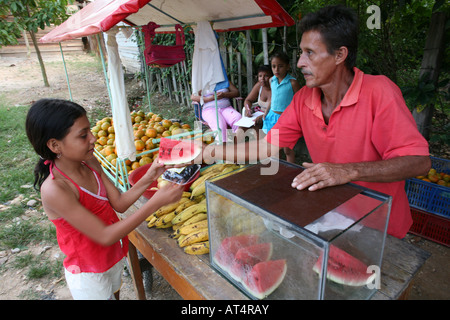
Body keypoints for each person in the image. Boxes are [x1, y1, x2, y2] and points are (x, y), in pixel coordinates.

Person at [200, 5, 431, 239]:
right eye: (301, 52)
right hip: (330, 221)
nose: (300, 62)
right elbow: (266, 146)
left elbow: (418, 162)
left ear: (340, 55)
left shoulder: (380, 91)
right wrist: (207, 152)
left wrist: (348, 171)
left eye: (309, 53)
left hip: (379, 228)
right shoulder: (303, 99)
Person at [25, 98, 185, 300]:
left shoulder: (90, 163)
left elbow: (119, 203)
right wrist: (156, 202)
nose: (92, 138)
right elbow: (104, 235)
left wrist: (150, 176)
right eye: (83, 135)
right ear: (55, 145)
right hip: (89, 273)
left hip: (112, 257)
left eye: (90, 131)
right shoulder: (56, 189)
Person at [262, 52, 301, 163]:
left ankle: (290, 169)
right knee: (274, 148)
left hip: (286, 120)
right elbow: (272, 98)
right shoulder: (271, 80)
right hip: (272, 117)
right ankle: (277, 172)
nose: (276, 69)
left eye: (280, 66)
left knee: (287, 149)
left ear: (288, 66)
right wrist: (267, 111)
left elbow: (299, 101)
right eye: (274, 66)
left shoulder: (292, 82)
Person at [243, 64, 273, 129]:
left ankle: (260, 139)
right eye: (260, 76)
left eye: (266, 76)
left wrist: (263, 116)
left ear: (272, 77)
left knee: (256, 126)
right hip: (258, 115)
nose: (262, 79)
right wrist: (248, 110)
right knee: (241, 128)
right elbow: (248, 100)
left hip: (272, 117)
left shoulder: (276, 88)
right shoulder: (259, 86)